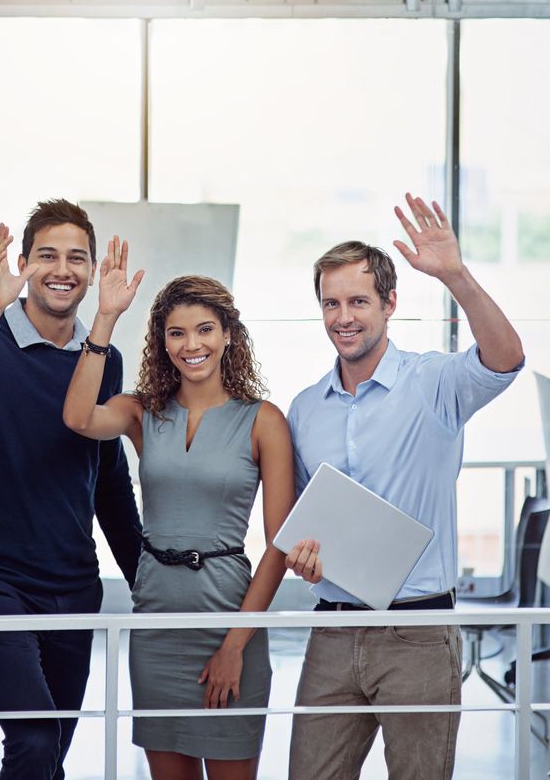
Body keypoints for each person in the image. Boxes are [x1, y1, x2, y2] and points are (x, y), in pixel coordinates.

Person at [284, 193, 524, 780]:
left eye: (359, 301)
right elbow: (300, 524)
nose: (344, 316)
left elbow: (507, 358)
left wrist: (456, 276)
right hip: (332, 630)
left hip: (418, 632)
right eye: (331, 303)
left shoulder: (434, 383)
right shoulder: (304, 409)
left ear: (390, 303)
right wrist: (304, 559)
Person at [0, 200, 141, 780]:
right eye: (47, 256)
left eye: (76, 258)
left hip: (71, 583)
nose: (62, 270)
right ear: (22, 263)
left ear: (92, 272)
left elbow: (108, 478)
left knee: (49, 749)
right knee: (35, 735)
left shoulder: (101, 360)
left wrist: (147, 580)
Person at [63, 240, 296, 780]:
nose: (192, 345)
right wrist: (103, 317)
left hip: (229, 619)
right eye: (176, 333)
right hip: (157, 623)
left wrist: (235, 646)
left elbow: (281, 544)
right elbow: (77, 418)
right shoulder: (143, 411)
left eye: (205, 330)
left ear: (228, 335)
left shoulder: (264, 421)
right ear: (161, 343)